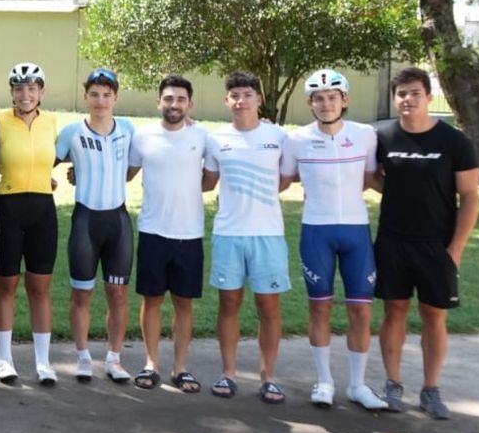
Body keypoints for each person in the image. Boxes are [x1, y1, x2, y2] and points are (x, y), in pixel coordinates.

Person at [369, 66, 479, 419]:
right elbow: (373, 177)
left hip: (437, 244)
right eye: (401, 93)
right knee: (394, 310)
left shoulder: (454, 141)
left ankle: (431, 390)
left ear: (429, 97)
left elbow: (470, 197)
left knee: (434, 315)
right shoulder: (382, 137)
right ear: (395, 98)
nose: (408, 99)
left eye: (415, 92)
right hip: (393, 241)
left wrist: (455, 250)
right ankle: (393, 384)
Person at [279, 69, 389, 411]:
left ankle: (358, 385)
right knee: (320, 307)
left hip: (356, 230)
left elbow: (372, 177)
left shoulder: (366, 135)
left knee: (360, 310)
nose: (325, 104)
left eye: (332, 97)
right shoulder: (296, 140)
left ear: (345, 100)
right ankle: (324, 381)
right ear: (309, 103)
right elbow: (281, 180)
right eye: (318, 98)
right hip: (317, 231)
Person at [204, 71, 290, 404]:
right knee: (229, 304)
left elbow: (286, 178)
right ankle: (228, 373)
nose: (241, 101)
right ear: (227, 101)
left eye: (247, 95)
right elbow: (209, 180)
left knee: (269, 306)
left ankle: (269, 377)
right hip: (228, 233)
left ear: (259, 99)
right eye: (235, 95)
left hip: (268, 233)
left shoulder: (279, 136)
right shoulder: (216, 138)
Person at [127, 76, 210, 394]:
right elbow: (127, 172)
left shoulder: (203, 136)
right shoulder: (143, 136)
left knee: (184, 303)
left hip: (189, 233)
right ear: (158, 102)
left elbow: (211, 178)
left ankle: (181, 368)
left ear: (190, 103)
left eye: (180, 99)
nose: (174, 104)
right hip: (152, 230)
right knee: (152, 300)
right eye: (168, 98)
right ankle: (151, 364)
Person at [56, 68, 138, 384]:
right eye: (94, 94)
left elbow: (135, 165)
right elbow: (42, 160)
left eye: (107, 95)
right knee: (82, 294)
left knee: (118, 293)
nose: (101, 101)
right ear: (86, 97)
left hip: (117, 220)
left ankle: (114, 359)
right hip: (85, 221)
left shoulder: (129, 129)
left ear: (115, 97)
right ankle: (83, 356)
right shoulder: (71, 132)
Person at [0, 62, 59, 385]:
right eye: (19, 88)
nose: (25, 94)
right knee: (6, 285)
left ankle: (43, 363)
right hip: (8, 206)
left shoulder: (54, 124)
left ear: (41, 92)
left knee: (40, 288)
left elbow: (56, 158)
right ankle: (4, 360)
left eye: (32, 88)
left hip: (43, 209)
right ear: (12, 92)